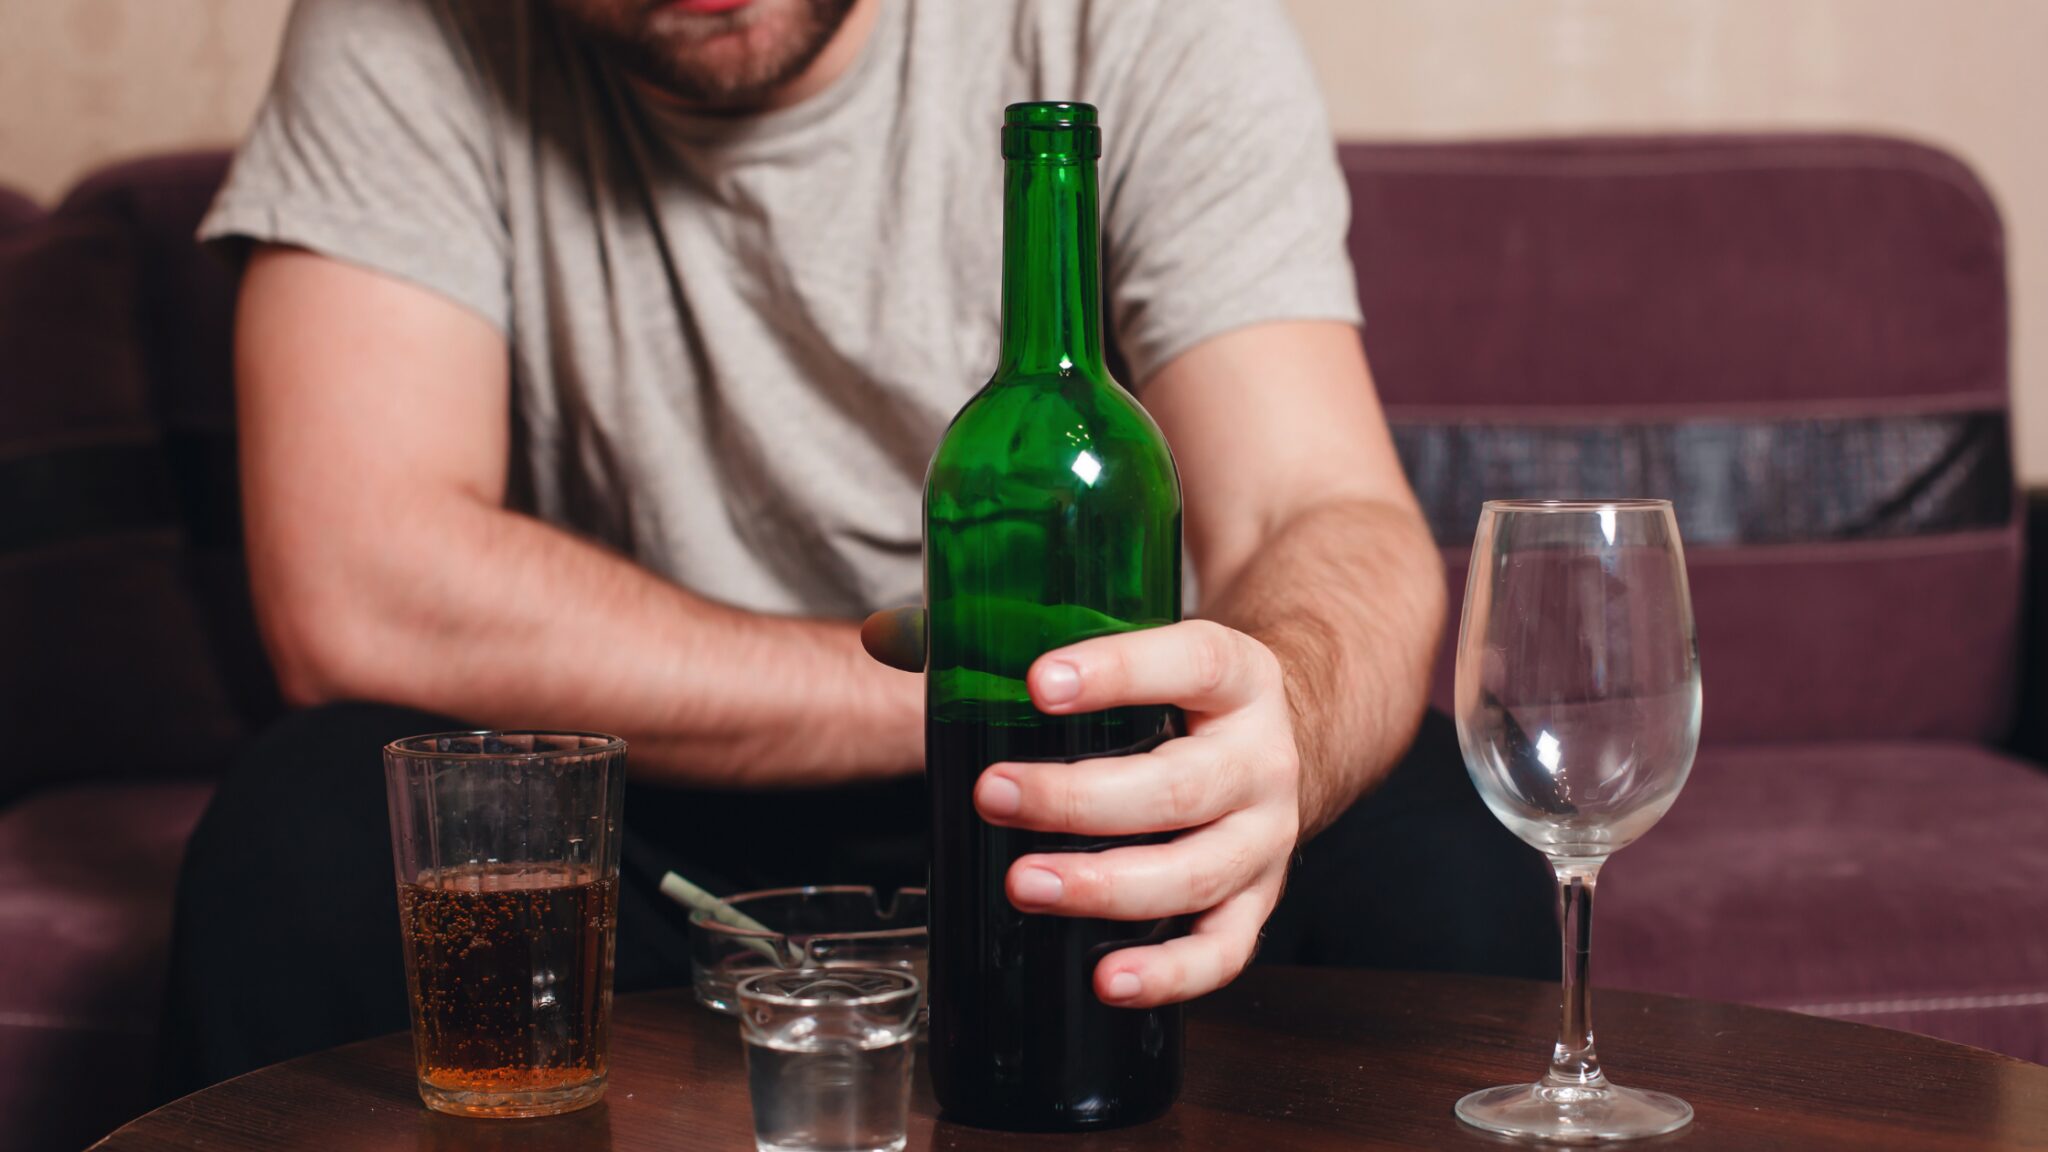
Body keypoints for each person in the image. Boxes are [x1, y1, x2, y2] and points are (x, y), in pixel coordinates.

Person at [160, 0, 1553, 1093]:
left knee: (1440, 849)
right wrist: (968, 694)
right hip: (662, 810)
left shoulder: (1136, 18)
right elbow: (355, 586)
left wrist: (1277, 724)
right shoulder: (400, 25)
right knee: (303, 831)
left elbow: (1321, 511)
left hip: (1102, 791)